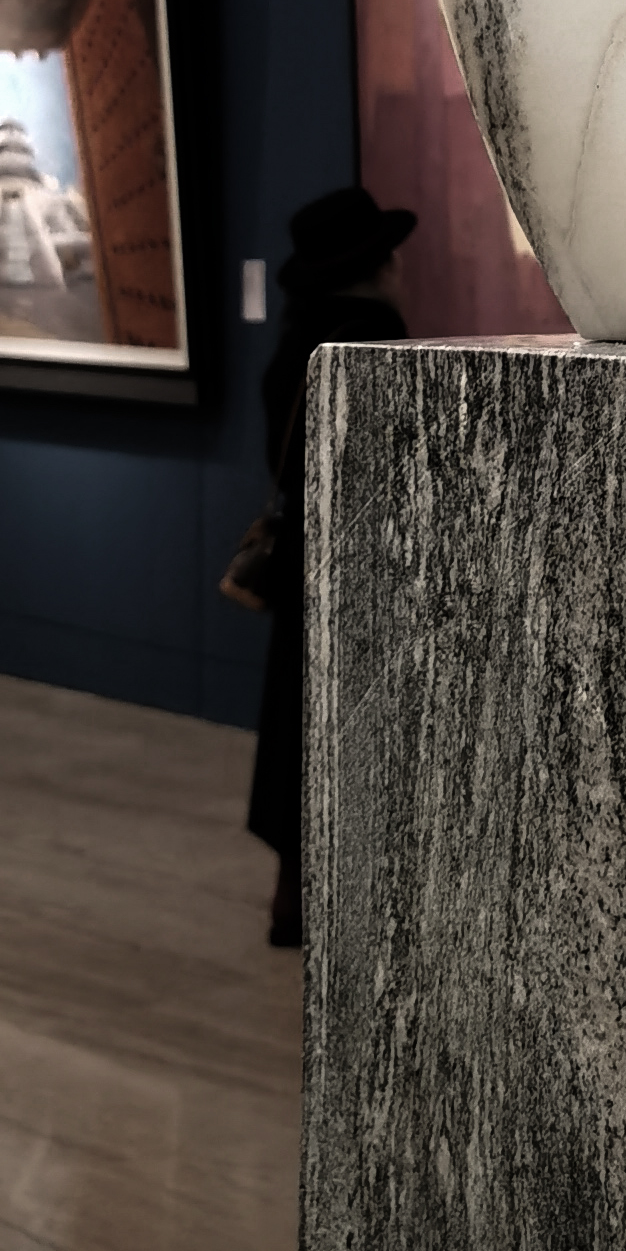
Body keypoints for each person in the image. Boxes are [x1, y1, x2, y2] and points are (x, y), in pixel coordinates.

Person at [246, 183, 414, 948]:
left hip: (301, 557)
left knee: (296, 720)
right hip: (358, 563)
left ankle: (293, 894)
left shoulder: (300, 337)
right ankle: (346, 903)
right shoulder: (374, 336)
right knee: (353, 728)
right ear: (377, 263)